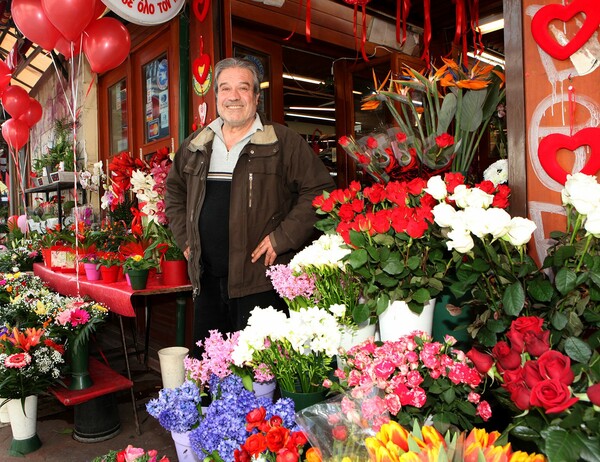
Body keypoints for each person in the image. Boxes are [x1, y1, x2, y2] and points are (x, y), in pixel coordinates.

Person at [165, 57, 335, 354]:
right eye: (225, 88)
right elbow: (174, 192)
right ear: (215, 95)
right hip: (206, 281)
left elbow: (320, 191)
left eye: (243, 88)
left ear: (257, 96)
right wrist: (185, 238)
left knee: (260, 375)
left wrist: (283, 237)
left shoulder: (282, 142)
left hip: (260, 283)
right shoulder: (196, 145)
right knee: (209, 371)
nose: (233, 96)